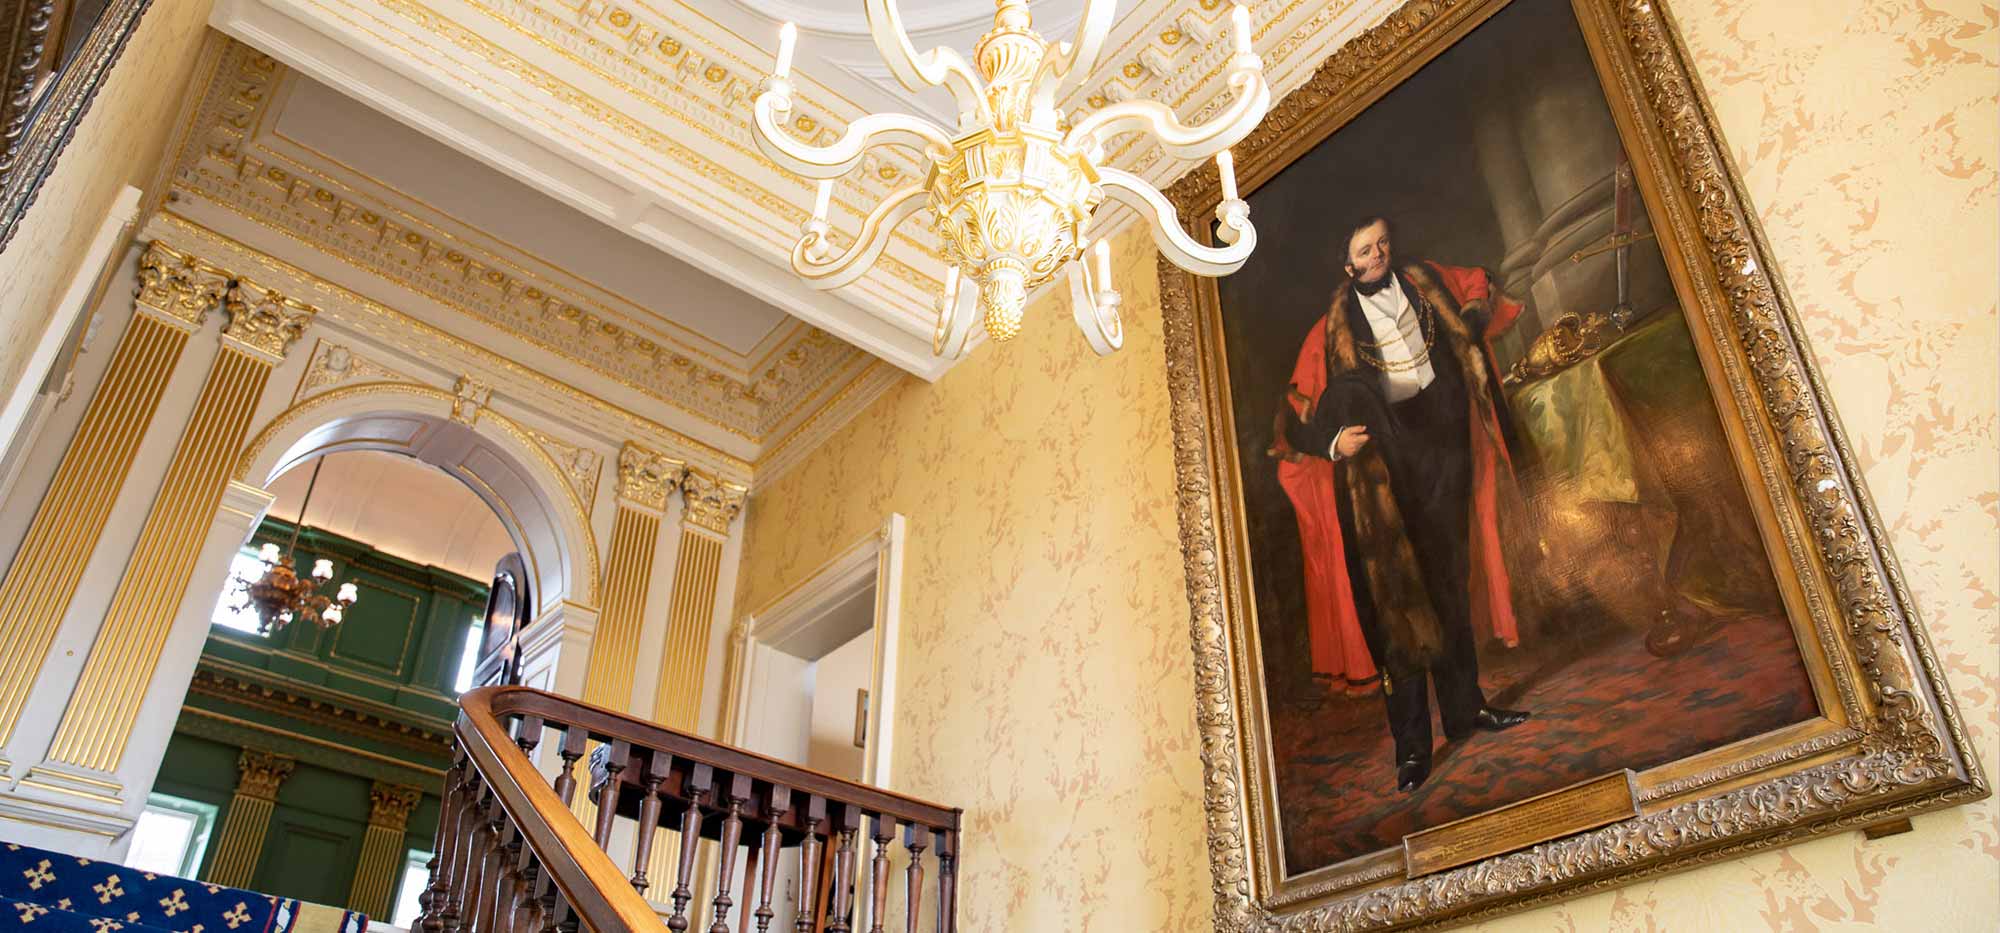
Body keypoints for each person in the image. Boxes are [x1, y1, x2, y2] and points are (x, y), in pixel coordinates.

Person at [1274, 215, 1532, 792]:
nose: (1379, 254)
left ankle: (1466, 710)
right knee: (1397, 602)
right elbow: (1295, 421)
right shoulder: (1327, 332)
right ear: (1347, 266)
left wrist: (1469, 321)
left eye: (1382, 241)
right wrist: (1333, 443)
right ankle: (1412, 748)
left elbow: (1475, 286)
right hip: (1385, 465)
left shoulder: (1423, 281)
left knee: (1450, 581)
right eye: (1365, 250)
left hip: (1445, 446)